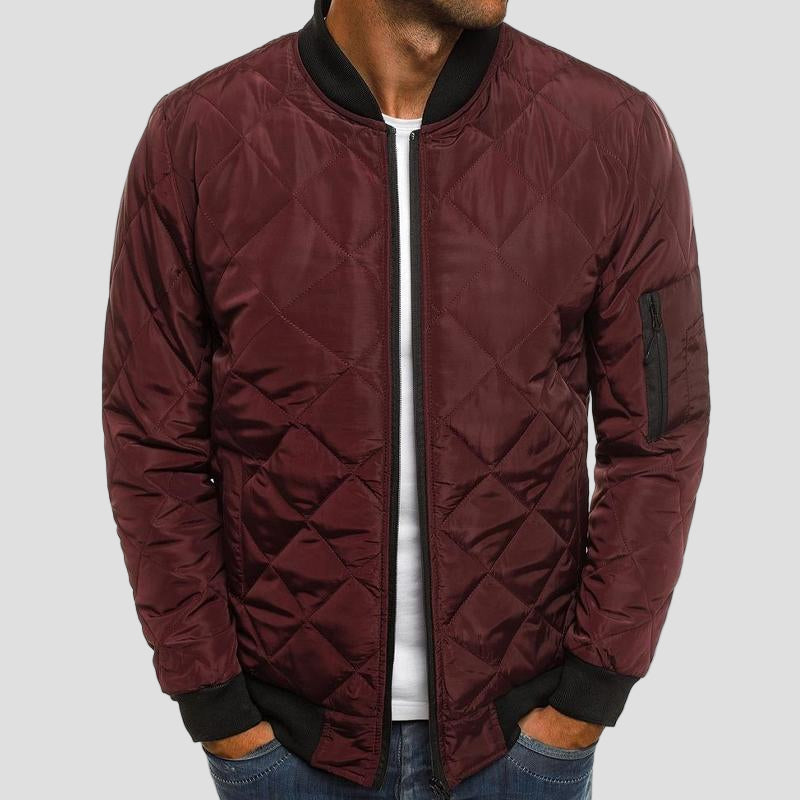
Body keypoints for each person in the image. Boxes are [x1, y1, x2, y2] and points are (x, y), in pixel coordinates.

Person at [102, 1, 710, 797]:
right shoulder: (197, 139)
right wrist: (216, 705)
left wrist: (589, 694)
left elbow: (659, 435)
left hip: (518, 746)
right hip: (286, 747)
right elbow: (152, 444)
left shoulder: (614, 133)